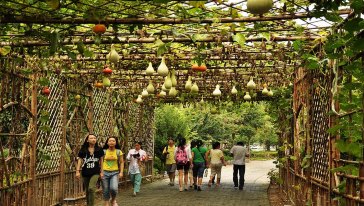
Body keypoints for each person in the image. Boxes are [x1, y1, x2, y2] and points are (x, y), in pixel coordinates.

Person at [76, 133, 104, 206]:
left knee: (91, 188)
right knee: (88, 191)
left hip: (95, 172)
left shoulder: (99, 149)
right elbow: (79, 160)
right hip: (85, 172)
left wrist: (102, 172)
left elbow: (101, 161)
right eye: (91, 138)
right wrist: (77, 171)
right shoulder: (83, 150)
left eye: (94, 138)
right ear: (87, 140)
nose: (93, 139)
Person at [101, 136, 124, 206]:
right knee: (105, 189)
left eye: (113, 141)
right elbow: (100, 163)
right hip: (105, 172)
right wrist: (101, 172)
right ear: (107, 143)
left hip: (114, 172)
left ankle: (113, 200)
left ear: (116, 143)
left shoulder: (118, 152)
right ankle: (106, 202)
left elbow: (122, 162)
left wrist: (121, 172)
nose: (111, 142)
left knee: (114, 188)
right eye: (110, 141)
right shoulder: (103, 152)